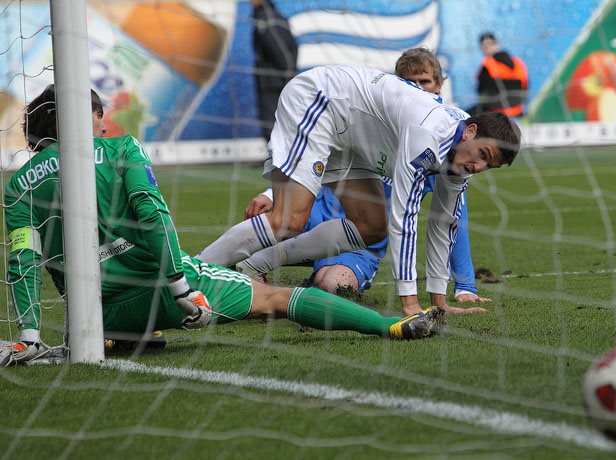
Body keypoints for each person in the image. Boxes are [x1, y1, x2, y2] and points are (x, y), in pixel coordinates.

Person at [0, 85, 446, 366]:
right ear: (81, 117)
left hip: (95, 315)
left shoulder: (17, 185)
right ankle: (390, 326)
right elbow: (154, 217)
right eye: (97, 117)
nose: (103, 125)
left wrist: (29, 337)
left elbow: (22, 262)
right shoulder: (122, 149)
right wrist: (181, 288)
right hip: (170, 292)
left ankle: (128, 335)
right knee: (275, 298)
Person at [196, 64, 521, 317]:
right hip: (321, 99)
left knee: (371, 226)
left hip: (352, 135)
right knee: (289, 220)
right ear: (470, 132)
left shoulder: (461, 156)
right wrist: (410, 304)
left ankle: (251, 267)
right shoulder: (427, 135)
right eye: (482, 155)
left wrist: (439, 303)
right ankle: (188, 273)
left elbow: (443, 225)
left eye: (488, 165)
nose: (479, 167)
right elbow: (405, 220)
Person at [252, 0, 298, 141]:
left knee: (272, 125)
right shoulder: (273, 16)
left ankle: (278, 153)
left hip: (273, 84)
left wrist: (288, 74)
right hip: (275, 81)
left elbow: (280, 49)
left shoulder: (266, 19)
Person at [469, 32, 528, 117]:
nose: (486, 49)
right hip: (517, 110)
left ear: (496, 44)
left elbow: (481, 92)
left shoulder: (487, 65)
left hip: (495, 113)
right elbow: (525, 86)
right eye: (484, 47)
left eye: (487, 46)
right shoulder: (518, 62)